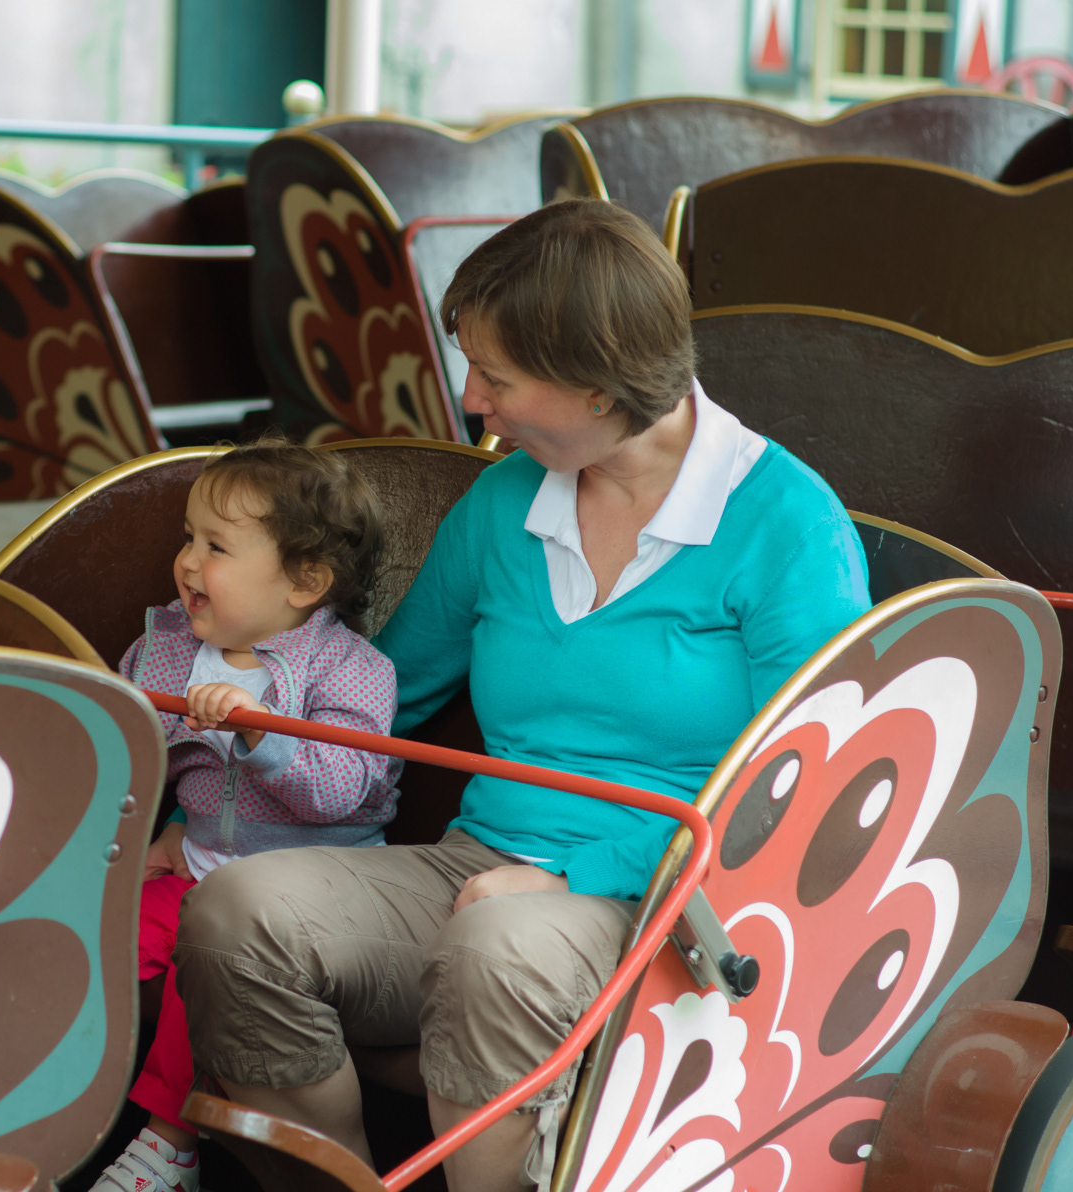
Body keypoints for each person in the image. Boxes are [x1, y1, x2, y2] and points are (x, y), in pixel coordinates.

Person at [172, 199, 871, 1191]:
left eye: (495, 377)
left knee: (501, 945)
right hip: (478, 868)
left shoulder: (789, 524)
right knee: (234, 914)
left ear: (597, 386)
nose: (472, 403)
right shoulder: (504, 502)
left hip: (672, 902)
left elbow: (804, 787)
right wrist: (219, 776)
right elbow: (376, 701)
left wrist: (575, 876)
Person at [91, 435, 403, 1192]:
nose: (188, 562)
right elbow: (127, 755)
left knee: (207, 965)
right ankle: (52, 1114)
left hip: (307, 897)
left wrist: (260, 733)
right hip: (195, 866)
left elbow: (339, 790)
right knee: (87, 940)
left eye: (217, 546)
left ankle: (168, 1148)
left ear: (305, 580)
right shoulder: (164, 647)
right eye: (188, 538)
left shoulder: (353, 671)